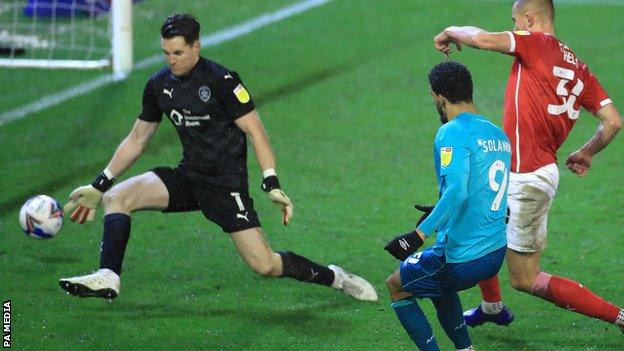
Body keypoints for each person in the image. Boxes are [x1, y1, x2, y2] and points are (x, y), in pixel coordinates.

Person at [58, 13, 377, 302]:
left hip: (226, 187)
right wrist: (99, 184)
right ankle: (108, 277)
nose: (172, 61)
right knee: (117, 197)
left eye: (178, 53)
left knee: (265, 265)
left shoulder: (222, 82)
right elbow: (138, 138)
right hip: (187, 177)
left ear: (196, 46)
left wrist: (271, 181)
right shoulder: (159, 85)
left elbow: (257, 132)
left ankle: (335, 277)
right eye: (166, 53)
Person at [433, 0, 623, 330]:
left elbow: (480, 39)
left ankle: (618, 316)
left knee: (525, 278)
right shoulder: (579, 67)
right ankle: (492, 306)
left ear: (529, 19)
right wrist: (587, 152)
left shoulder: (536, 42)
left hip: (526, 177)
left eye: (515, 21)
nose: (514, 26)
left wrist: (451, 30)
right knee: (474, 216)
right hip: (530, 171)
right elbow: (613, 122)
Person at [385, 61, 511, 351]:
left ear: (439, 97)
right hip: (495, 253)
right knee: (436, 282)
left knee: (397, 285)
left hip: (465, 258)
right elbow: (487, 191)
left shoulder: (451, 133)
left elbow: (457, 192)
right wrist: (440, 212)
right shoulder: (497, 134)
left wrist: (418, 234)